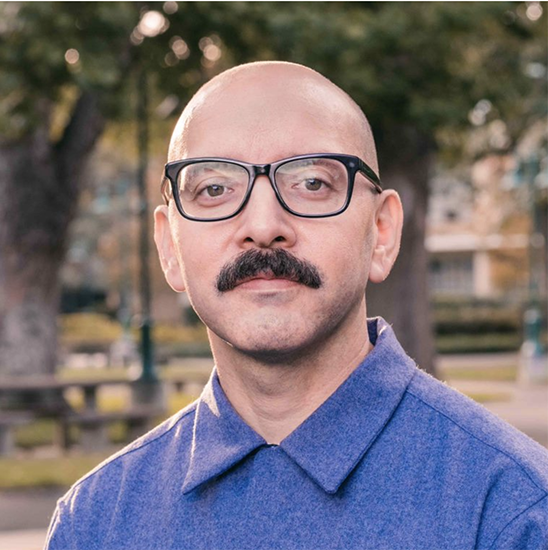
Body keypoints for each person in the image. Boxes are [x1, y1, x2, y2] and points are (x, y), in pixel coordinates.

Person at [46, 61, 548, 549]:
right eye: (214, 189)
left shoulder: (513, 513)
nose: (263, 226)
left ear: (381, 232)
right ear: (169, 248)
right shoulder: (94, 522)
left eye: (312, 183)